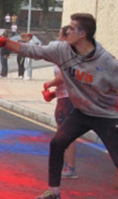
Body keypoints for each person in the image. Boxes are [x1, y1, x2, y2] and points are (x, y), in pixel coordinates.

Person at [0, 13, 118, 199]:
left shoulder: (106, 62)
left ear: (83, 34)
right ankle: (54, 192)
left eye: (72, 28)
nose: (67, 31)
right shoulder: (62, 50)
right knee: (57, 143)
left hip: (107, 116)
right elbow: (32, 51)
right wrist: (4, 42)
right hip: (81, 112)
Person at [44, 26, 78, 179]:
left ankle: (70, 167)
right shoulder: (65, 54)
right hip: (63, 97)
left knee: (66, 134)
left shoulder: (69, 55)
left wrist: (50, 83)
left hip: (68, 100)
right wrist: (53, 94)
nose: (59, 38)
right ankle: (66, 165)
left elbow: (64, 76)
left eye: (60, 35)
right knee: (63, 132)